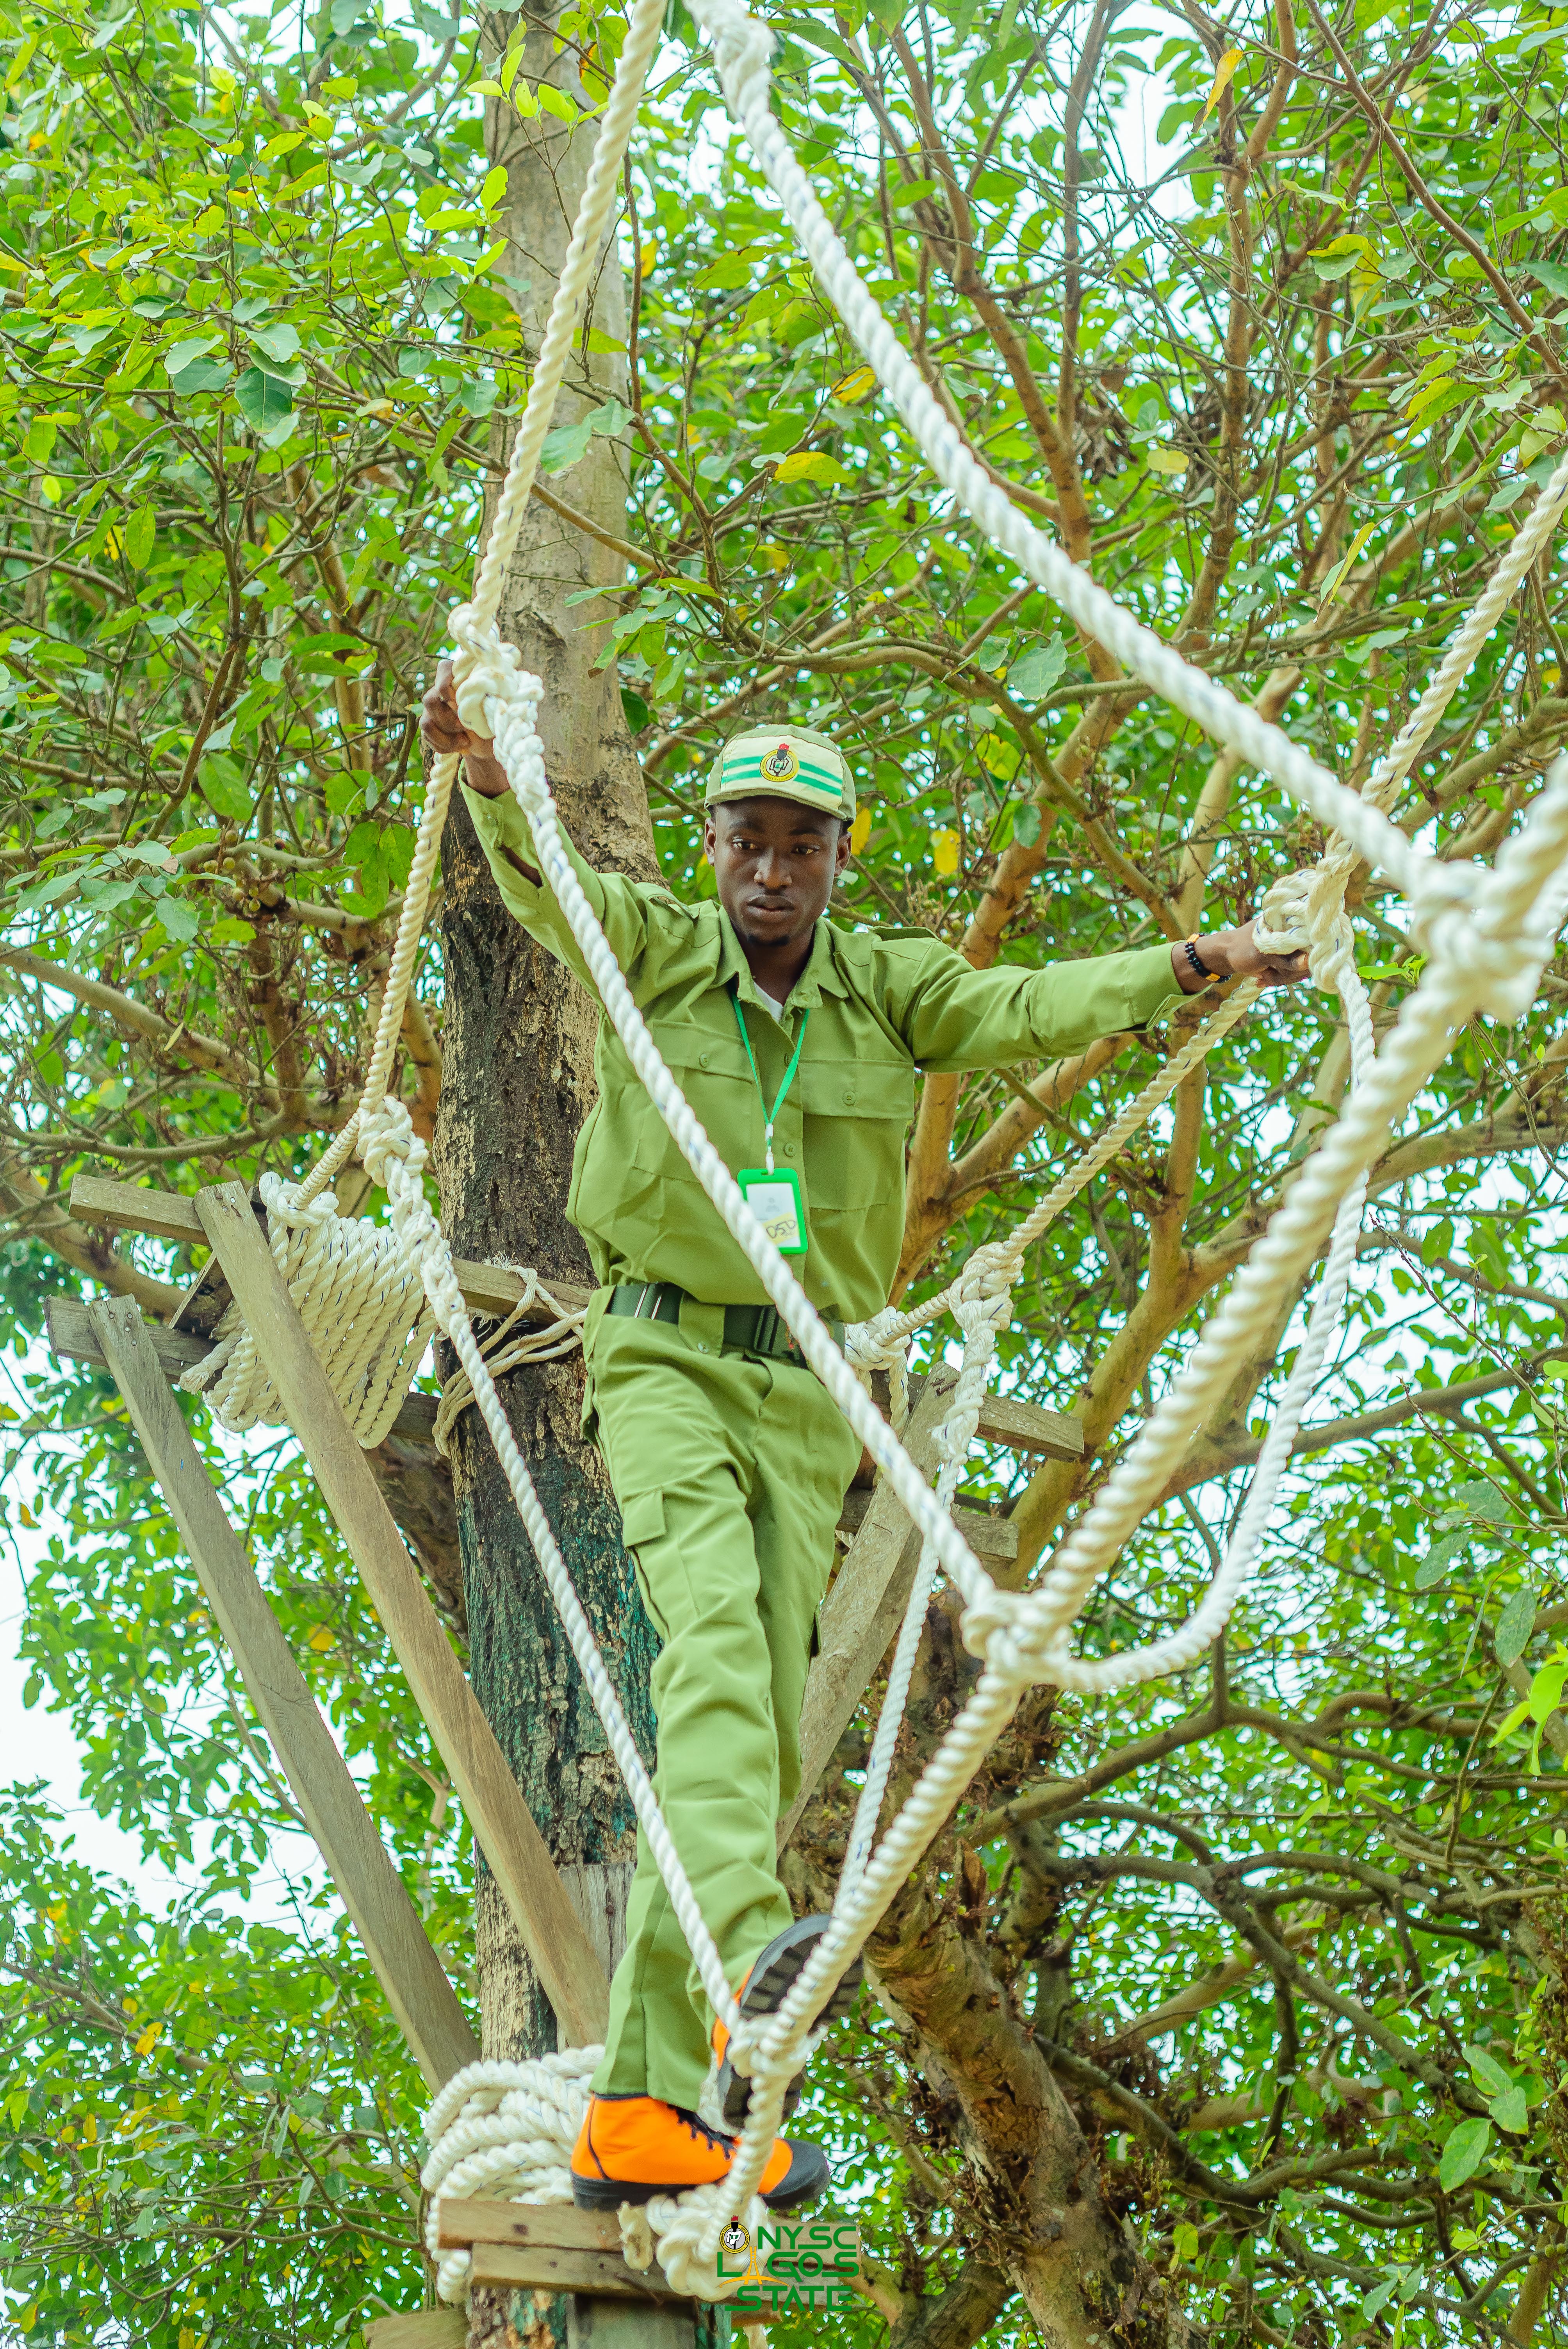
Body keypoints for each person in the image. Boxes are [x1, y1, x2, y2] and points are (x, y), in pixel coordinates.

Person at [419, 665, 1308, 2211]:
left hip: (807, 1393)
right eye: (747, 843)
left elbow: (1023, 1007)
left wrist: (1194, 961)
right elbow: (552, 892)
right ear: (712, 849)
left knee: (755, 1736)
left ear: (840, 857)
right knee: (709, 1656)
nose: (770, 873)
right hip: (665, 1357)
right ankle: (748, 1967)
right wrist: (495, 777)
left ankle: (641, 2110)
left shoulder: (888, 986)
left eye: (801, 847)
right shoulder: (656, 953)